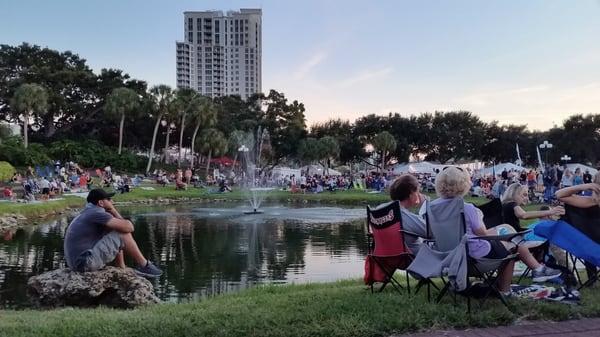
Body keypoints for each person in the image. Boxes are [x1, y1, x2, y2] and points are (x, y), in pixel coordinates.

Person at [431, 167, 516, 295]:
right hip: (473, 258)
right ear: (463, 184)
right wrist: (481, 218)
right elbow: (482, 234)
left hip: (447, 257)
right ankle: (504, 290)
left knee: (500, 241)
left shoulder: (432, 207)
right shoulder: (467, 208)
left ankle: (489, 284)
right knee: (513, 247)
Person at [63, 189, 162, 277]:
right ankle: (144, 265)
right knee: (121, 232)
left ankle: (121, 267)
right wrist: (113, 210)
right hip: (85, 264)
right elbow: (129, 227)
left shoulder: (87, 212)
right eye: (109, 199)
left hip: (78, 263)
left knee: (114, 229)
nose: (112, 201)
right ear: (101, 203)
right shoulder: (97, 213)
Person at [501, 183, 564, 282]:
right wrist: (550, 212)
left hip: (507, 241)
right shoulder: (512, 204)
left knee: (540, 243)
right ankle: (540, 270)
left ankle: (538, 268)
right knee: (544, 244)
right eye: (524, 195)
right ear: (514, 194)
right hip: (514, 242)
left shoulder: (504, 205)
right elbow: (524, 215)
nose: (526, 197)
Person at [389, 174, 428, 253]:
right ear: (411, 194)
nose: (419, 195)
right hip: (413, 260)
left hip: (384, 260)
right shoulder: (403, 216)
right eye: (418, 191)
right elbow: (432, 232)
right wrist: (425, 204)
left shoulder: (379, 210)